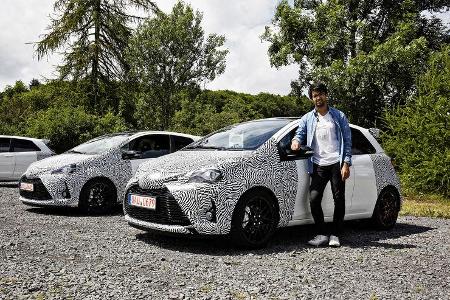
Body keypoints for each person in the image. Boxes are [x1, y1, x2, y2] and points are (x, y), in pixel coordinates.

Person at [291, 82, 352, 247]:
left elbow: (347, 141)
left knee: (339, 199)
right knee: (314, 198)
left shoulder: (338, 116)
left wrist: (346, 163)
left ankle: (336, 235)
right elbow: (300, 134)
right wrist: (296, 142)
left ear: (326, 95)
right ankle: (322, 233)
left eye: (320, 94)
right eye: (315, 95)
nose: (318, 98)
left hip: (336, 163)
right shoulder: (307, 118)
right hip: (318, 164)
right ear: (312, 99)